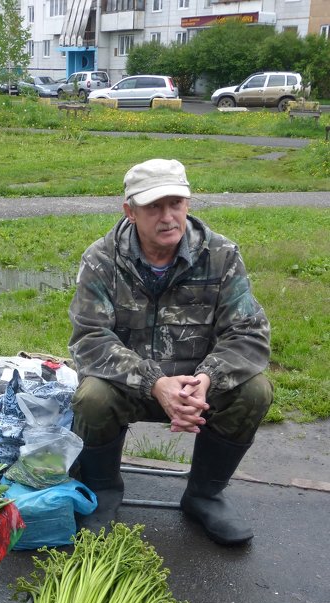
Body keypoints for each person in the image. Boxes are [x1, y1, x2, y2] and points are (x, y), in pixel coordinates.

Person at [68, 158, 273, 545]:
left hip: (198, 390)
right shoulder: (101, 259)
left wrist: (207, 378)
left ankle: (204, 495)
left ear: (189, 204)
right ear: (129, 211)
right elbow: (90, 340)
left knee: (255, 390)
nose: (168, 217)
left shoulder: (222, 255)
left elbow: (249, 333)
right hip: (128, 387)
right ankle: (103, 494)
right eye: (154, 207)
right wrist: (154, 383)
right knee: (92, 396)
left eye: (176, 203)